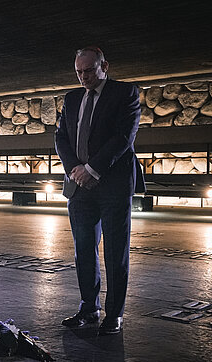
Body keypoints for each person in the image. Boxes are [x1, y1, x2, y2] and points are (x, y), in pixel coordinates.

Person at [55, 46, 145, 335]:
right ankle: (88, 307)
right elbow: (61, 138)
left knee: (116, 251)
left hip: (113, 186)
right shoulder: (71, 99)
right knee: (84, 250)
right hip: (79, 187)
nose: (83, 77)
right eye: (78, 72)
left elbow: (123, 137)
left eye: (89, 71)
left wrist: (92, 169)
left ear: (104, 65)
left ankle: (114, 314)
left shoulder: (125, 93)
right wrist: (75, 170)